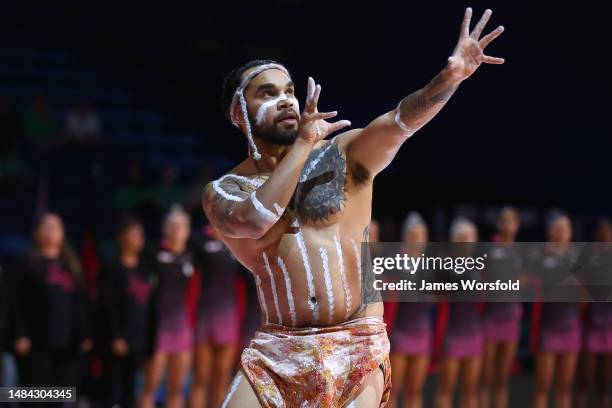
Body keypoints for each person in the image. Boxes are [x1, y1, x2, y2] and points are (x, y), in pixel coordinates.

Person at [202, 7, 505, 407]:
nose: (286, 100)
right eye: (268, 93)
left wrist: (450, 78)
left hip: (356, 344)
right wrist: (304, 145)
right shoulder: (225, 190)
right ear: (240, 114)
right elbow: (256, 218)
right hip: (279, 351)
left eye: (289, 90)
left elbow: (401, 121)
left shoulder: (343, 155)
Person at [12, 213, 93, 390]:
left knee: (61, 393)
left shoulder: (71, 265)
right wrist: (20, 333)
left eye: (56, 227)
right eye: (46, 226)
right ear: (37, 233)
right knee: (35, 394)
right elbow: (16, 302)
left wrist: (84, 332)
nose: (51, 230)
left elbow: (80, 302)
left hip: (67, 342)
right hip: (36, 340)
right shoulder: (27, 263)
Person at [140, 206, 198, 408]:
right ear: (166, 230)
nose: (176, 230)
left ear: (187, 231)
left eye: (181, 226)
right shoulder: (155, 255)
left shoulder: (191, 257)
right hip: (159, 331)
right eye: (172, 226)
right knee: (150, 387)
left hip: (182, 329)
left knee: (176, 390)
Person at [98, 216, 154, 408]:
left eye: (140, 233)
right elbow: (107, 305)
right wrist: (115, 336)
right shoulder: (111, 267)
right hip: (116, 340)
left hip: (138, 338)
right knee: (111, 391)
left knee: (131, 392)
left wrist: (149, 342)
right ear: (122, 237)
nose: (139, 238)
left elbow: (150, 305)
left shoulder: (146, 267)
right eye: (134, 233)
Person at [531, 213, 580, 408]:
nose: (561, 233)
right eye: (557, 229)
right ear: (550, 232)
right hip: (547, 326)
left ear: (571, 232)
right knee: (542, 386)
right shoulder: (540, 257)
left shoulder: (578, 258)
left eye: (565, 229)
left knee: (564, 387)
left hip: (571, 327)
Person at [189, 225, 240, 408]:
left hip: (228, 317)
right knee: (201, 376)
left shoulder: (236, 246)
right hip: (206, 316)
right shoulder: (201, 244)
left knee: (222, 377)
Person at [435, 217, 483, 408]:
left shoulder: (479, 268)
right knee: (446, 389)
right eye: (461, 238)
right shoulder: (446, 267)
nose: (465, 242)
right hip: (452, 335)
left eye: (469, 238)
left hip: (473, 334)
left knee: (470, 391)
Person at [389, 212, 432, 408]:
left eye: (420, 236)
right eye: (413, 236)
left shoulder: (430, 265)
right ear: (406, 237)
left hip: (422, 332)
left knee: (415, 391)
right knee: (394, 390)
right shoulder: (394, 262)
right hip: (399, 333)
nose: (417, 240)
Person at [480, 207, 522, 408]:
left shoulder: (521, 252)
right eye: (504, 219)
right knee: (487, 377)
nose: (507, 223)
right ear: (498, 224)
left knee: (502, 379)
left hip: (511, 317)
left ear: (517, 225)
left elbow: (526, 281)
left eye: (511, 220)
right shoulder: (490, 248)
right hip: (491, 317)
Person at [575, 218, 612, 408]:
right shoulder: (587, 254)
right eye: (602, 235)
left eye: (609, 235)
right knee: (584, 381)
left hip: (609, 329)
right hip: (589, 324)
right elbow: (577, 285)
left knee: (605, 384)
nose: (606, 238)